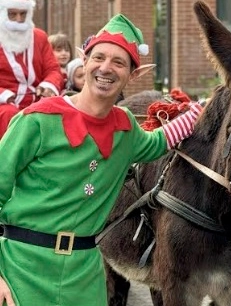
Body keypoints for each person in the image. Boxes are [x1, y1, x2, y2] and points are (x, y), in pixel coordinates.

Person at [0, 13, 203, 306]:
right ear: (84, 61)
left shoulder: (126, 129)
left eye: (119, 62)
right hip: (21, 272)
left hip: (85, 280)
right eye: (99, 57)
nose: (106, 68)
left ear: (134, 74)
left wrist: (202, 111)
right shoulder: (36, 121)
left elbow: (159, 141)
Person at [0, 0, 64, 139]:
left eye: (23, 14)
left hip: (37, 99)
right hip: (5, 103)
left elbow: (53, 69)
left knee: (57, 111)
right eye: (13, 14)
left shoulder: (39, 37)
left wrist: (48, 85)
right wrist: (4, 95)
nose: (19, 20)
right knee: (8, 115)